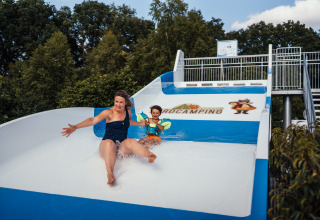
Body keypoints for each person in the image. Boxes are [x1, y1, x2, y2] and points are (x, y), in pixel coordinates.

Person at [61, 90, 157, 185]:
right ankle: (110, 174)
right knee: (110, 143)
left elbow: (128, 122)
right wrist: (76, 127)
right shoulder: (109, 112)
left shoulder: (128, 111)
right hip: (106, 146)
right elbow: (92, 120)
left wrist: (140, 123)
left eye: (121, 102)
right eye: (116, 101)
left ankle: (148, 155)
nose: (118, 104)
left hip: (121, 146)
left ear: (126, 103)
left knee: (131, 141)